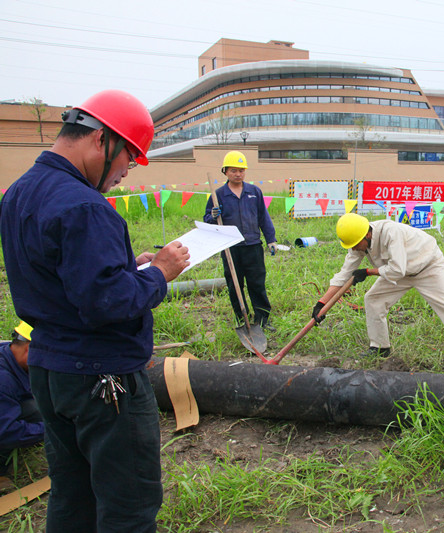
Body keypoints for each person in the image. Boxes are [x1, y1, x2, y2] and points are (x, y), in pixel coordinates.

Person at [0, 89, 190, 532]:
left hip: (50, 371)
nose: (125, 173)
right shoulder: (85, 205)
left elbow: (63, 278)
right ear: (102, 139)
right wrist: (160, 272)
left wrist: (127, 267)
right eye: (130, 158)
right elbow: (109, 303)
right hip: (103, 382)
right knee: (129, 505)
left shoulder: (21, 192)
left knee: (72, 495)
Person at [312, 213, 444, 373]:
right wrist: (322, 304)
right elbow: (343, 275)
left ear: (367, 235)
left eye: (356, 245)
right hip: (398, 271)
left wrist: (367, 272)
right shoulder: (357, 243)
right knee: (373, 299)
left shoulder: (390, 233)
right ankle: (380, 347)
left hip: (428, 267)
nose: (355, 249)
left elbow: (397, 269)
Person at [204, 151, 278, 332]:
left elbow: (263, 217)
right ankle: (241, 318)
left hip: (253, 246)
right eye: (234, 170)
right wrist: (212, 215)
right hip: (231, 248)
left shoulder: (254, 192)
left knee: (257, 283)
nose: (238, 174)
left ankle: (262, 319)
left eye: (241, 170)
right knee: (234, 285)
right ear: (225, 171)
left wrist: (271, 239)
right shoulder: (218, 195)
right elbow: (207, 220)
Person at [0, 322, 43, 476]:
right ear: (28, 349)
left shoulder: (7, 352)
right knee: (38, 411)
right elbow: (5, 432)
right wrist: (50, 429)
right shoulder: (3, 381)